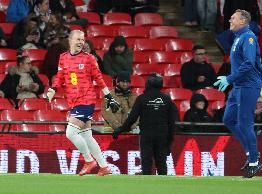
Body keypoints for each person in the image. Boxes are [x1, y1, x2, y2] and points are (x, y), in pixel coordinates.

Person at [46, 30, 120, 176]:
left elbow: (99, 79)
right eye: (78, 39)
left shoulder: (89, 59)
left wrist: (109, 97)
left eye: (82, 40)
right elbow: (60, 76)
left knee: (70, 133)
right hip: (73, 101)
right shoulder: (63, 58)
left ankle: (88, 160)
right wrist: (53, 89)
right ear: (70, 40)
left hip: (86, 100)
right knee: (87, 136)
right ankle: (104, 166)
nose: (81, 42)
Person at [213, 9, 262, 178]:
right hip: (239, 85)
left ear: (243, 21)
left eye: (232, 18)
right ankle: (250, 152)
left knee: (245, 122)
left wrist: (230, 79)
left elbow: (249, 63)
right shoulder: (239, 37)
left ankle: (254, 162)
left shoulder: (248, 37)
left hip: (246, 86)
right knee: (228, 119)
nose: (229, 21)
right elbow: (257, 61)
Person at [112, 73, 177, 175]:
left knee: (146, 163)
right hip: (162, 135)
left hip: (147, 135)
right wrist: (170, 142)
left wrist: (120, 130)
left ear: (148, 84)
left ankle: (147, 188)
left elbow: (132, 119)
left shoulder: (142, 98)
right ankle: (164, 188)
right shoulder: (167, 99)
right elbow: (172, 122)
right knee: (162, 164)